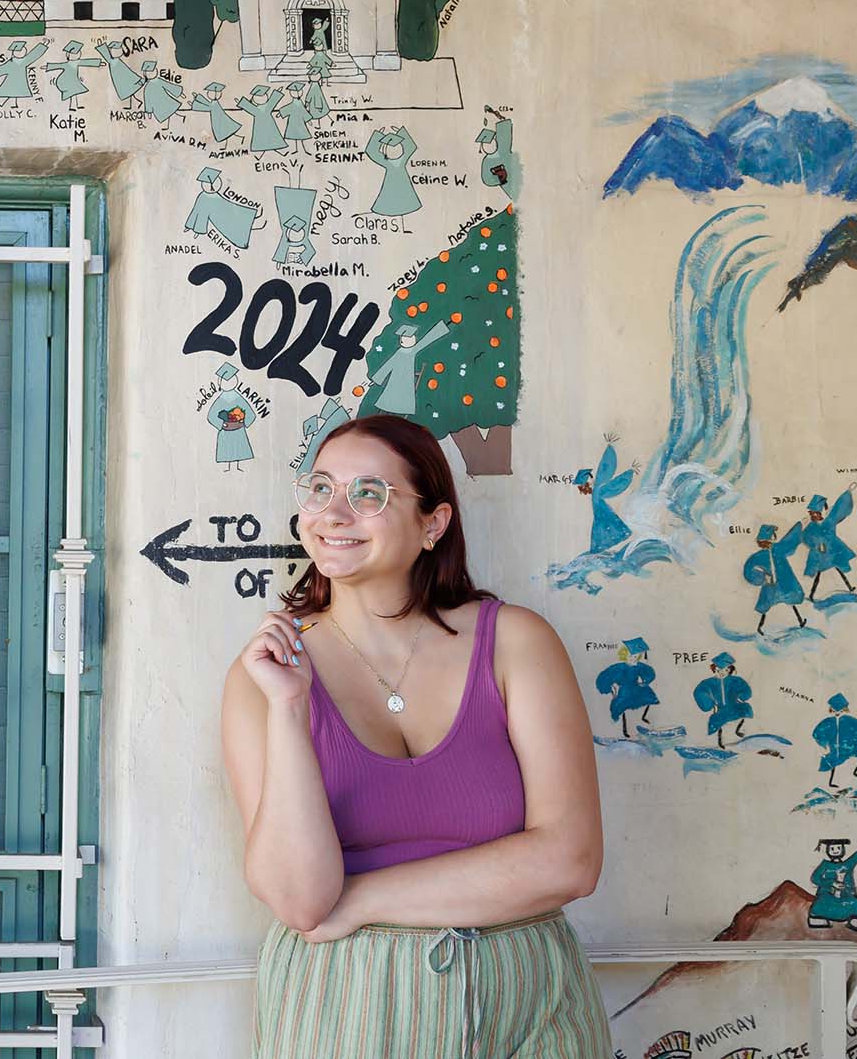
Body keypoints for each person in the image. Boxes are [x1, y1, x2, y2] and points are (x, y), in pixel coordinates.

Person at [222, 414, 609, 1058]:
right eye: (319, 489)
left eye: (369, 494)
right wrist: (292, 709)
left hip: (528, 997)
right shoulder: (265, 675)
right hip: (342, 1001)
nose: (334, 513)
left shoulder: (515, 642)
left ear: (433, 523)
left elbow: (571, 860)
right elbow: (300, 900)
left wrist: (364, 898)